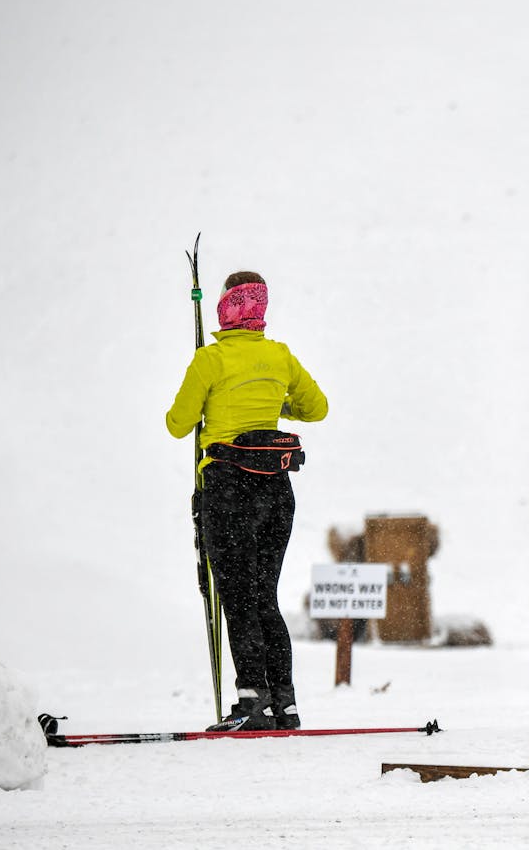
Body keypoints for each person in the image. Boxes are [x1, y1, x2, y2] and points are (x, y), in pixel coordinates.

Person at [166, 271, 328, 731]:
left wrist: (208, 403)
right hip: (276, 491)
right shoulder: (279, 357)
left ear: (224, 308)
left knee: (237, 598)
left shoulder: (210, 360)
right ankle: (285, 703)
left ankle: (250, 699)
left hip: (227, 489)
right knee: (264, 596)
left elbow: (178, 424)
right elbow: (317, 409)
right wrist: (275, 405)